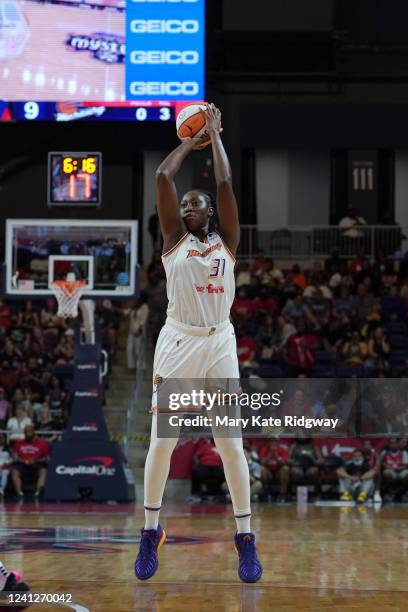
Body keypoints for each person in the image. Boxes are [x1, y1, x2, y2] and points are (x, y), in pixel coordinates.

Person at [134, 103, 262, 583]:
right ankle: (151, 532)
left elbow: (227, 186)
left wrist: (216, 136)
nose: (188, 207)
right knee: (163, 442)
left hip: (220, 343)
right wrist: (192, 139)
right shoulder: (172, 239)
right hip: (179, 341)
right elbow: (164, 179)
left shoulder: (227, 241)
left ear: (210, 212)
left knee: (231, 445)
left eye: (196, 203)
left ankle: (245, 539)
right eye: (185, 204)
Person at [11, 425, 49, 498]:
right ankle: (19, 493)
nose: (27, 434)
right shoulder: (18, 443)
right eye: (25, 432)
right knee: (15, 471)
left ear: (33, 432)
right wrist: (23, 460)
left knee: (43, 471)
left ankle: (38, 493)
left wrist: (36, 460)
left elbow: (47, 458)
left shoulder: (42, 443)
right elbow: (14, 457)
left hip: (37, 465)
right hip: (23, 465)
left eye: (29, 432)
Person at [126, 293, 149, 371]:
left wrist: (139, 330)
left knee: (138, 350)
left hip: (139, 332)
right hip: (131, 331)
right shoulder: (134, 307)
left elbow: (143, 321)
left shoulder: (145, 307)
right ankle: (131, 367)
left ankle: (141, 366)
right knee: (129, 348)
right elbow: (126, 312)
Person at [0, 433, 11, 498]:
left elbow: (12, 458)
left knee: (5, 473)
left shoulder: (8, 448)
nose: (0, 439)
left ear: (4, 439)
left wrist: (6, 463)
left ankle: (1, 490)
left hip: (5, 466)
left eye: (2, 438)